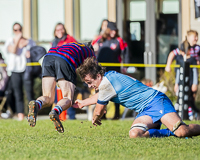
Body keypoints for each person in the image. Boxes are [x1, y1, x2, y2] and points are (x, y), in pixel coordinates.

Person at [74, 57, 200, 138]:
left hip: (156, 101)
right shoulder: (108, 80)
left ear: (98, 76)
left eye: (90, 82)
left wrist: (96, 117)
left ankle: (175, 131)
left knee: (182, 132)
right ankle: (170, 133)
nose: (90, 86)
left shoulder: (107, 83)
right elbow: (101, 96)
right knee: (135, 134)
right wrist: (83, 103)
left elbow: (98, 110)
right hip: (145, 110)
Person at [27, 42, 95, 133]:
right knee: (68, 98)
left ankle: (37, 104)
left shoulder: (72, 45)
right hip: (65, 59)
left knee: (48, 97)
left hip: (48, 57)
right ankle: (55, 111)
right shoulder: (90, 52)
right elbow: (94, 73)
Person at [92, 21, 129, 119]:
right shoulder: (100, 40)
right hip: (101, 70)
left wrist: (125, 65)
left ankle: (117, 114)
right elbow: (91, 48)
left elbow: (126, 52)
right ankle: (102, 114)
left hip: (114, 69)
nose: (113, 32)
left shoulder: (119, 40)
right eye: (112, 30)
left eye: (115, 30)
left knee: (115, 91)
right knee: (100, 91)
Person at [3, 22, 36, 121]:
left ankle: (32, 114)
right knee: (18, 94)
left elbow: (36, 53)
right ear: (13, 31)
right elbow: (13, 50)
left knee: (29, 93)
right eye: (15, 30)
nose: (18, 32)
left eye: (19, 29)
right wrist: (18, 40)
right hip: (14, 70)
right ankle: (20, 115)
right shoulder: (9, 41)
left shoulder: (29, 41)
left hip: (26, 69)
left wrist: (31, 53)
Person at [52, 23, 77, 120]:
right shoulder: (54, 42)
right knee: (57, 95)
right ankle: (58, 115)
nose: (59, 31)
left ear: (64, 30)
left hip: (68, 70)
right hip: (57, 71)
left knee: (68, 93)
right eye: (57, 30)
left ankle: (71, 116)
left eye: (61, 29)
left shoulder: (70, 39)